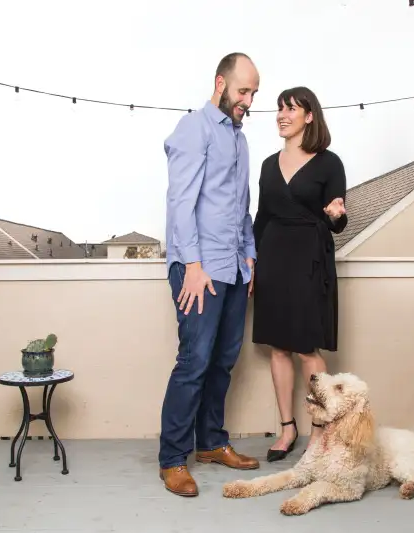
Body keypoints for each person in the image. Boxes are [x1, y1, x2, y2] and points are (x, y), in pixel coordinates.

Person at [159, 52, 261, 497]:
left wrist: (251, 256)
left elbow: (241, 207)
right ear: (220, 83)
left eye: (254, 93)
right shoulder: (193, 128)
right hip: (199, 268)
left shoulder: (239, 140)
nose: (249, 101)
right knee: (194, 362)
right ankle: (172, 459)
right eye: (244, 91)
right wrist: (194, 267)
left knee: (223, 361)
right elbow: (181, 202)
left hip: (234, 269)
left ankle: (212, 444)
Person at [252, 86, 348, 462]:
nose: (282, 114)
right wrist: (253, 262)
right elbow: (262, 218)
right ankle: (287, 427)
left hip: (310, 258)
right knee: (279, 347)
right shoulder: (266, 164)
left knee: (308, 349)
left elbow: (337, 219)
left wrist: (337, 214)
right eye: (279, 108)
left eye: (290, 108)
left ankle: (319, 430)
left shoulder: (329, 163)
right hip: (273, 259)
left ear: (309, 116)